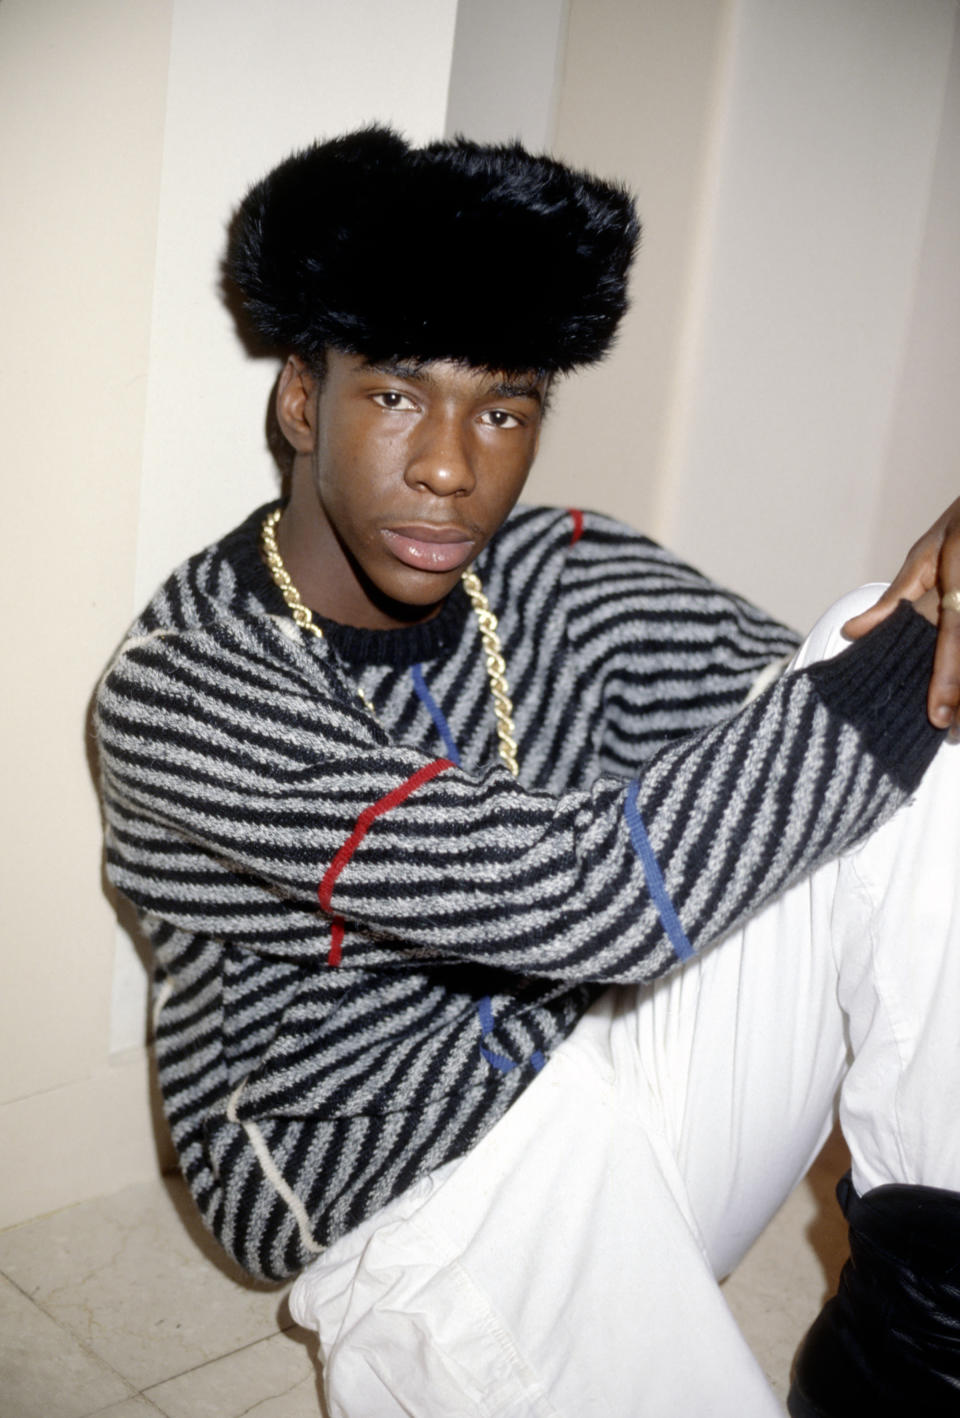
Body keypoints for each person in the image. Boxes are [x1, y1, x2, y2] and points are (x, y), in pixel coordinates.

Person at [95, 127, 960, 1416]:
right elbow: (579, 895)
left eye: (501, 408)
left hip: (598, 1058)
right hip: (402, 1196)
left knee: (891, 664)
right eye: (395, 394)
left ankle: (922, 1343)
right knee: (902, 664)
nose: (452, 467)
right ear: (299, 399)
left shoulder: (558, 567)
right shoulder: (191, 686)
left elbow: (804, 731)